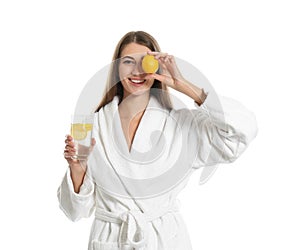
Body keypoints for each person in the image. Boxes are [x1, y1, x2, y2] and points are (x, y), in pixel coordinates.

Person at [58, 31, 258, 250]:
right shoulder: (92, 125)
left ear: (157, 67)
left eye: (145, 62)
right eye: (128, 62)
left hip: (163, 240)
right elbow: (75, 211)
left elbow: (242, 131)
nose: (137, 71)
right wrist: (77, 169)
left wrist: (185, 85)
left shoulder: (181, 124)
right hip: (111, 239)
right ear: (116, 68)